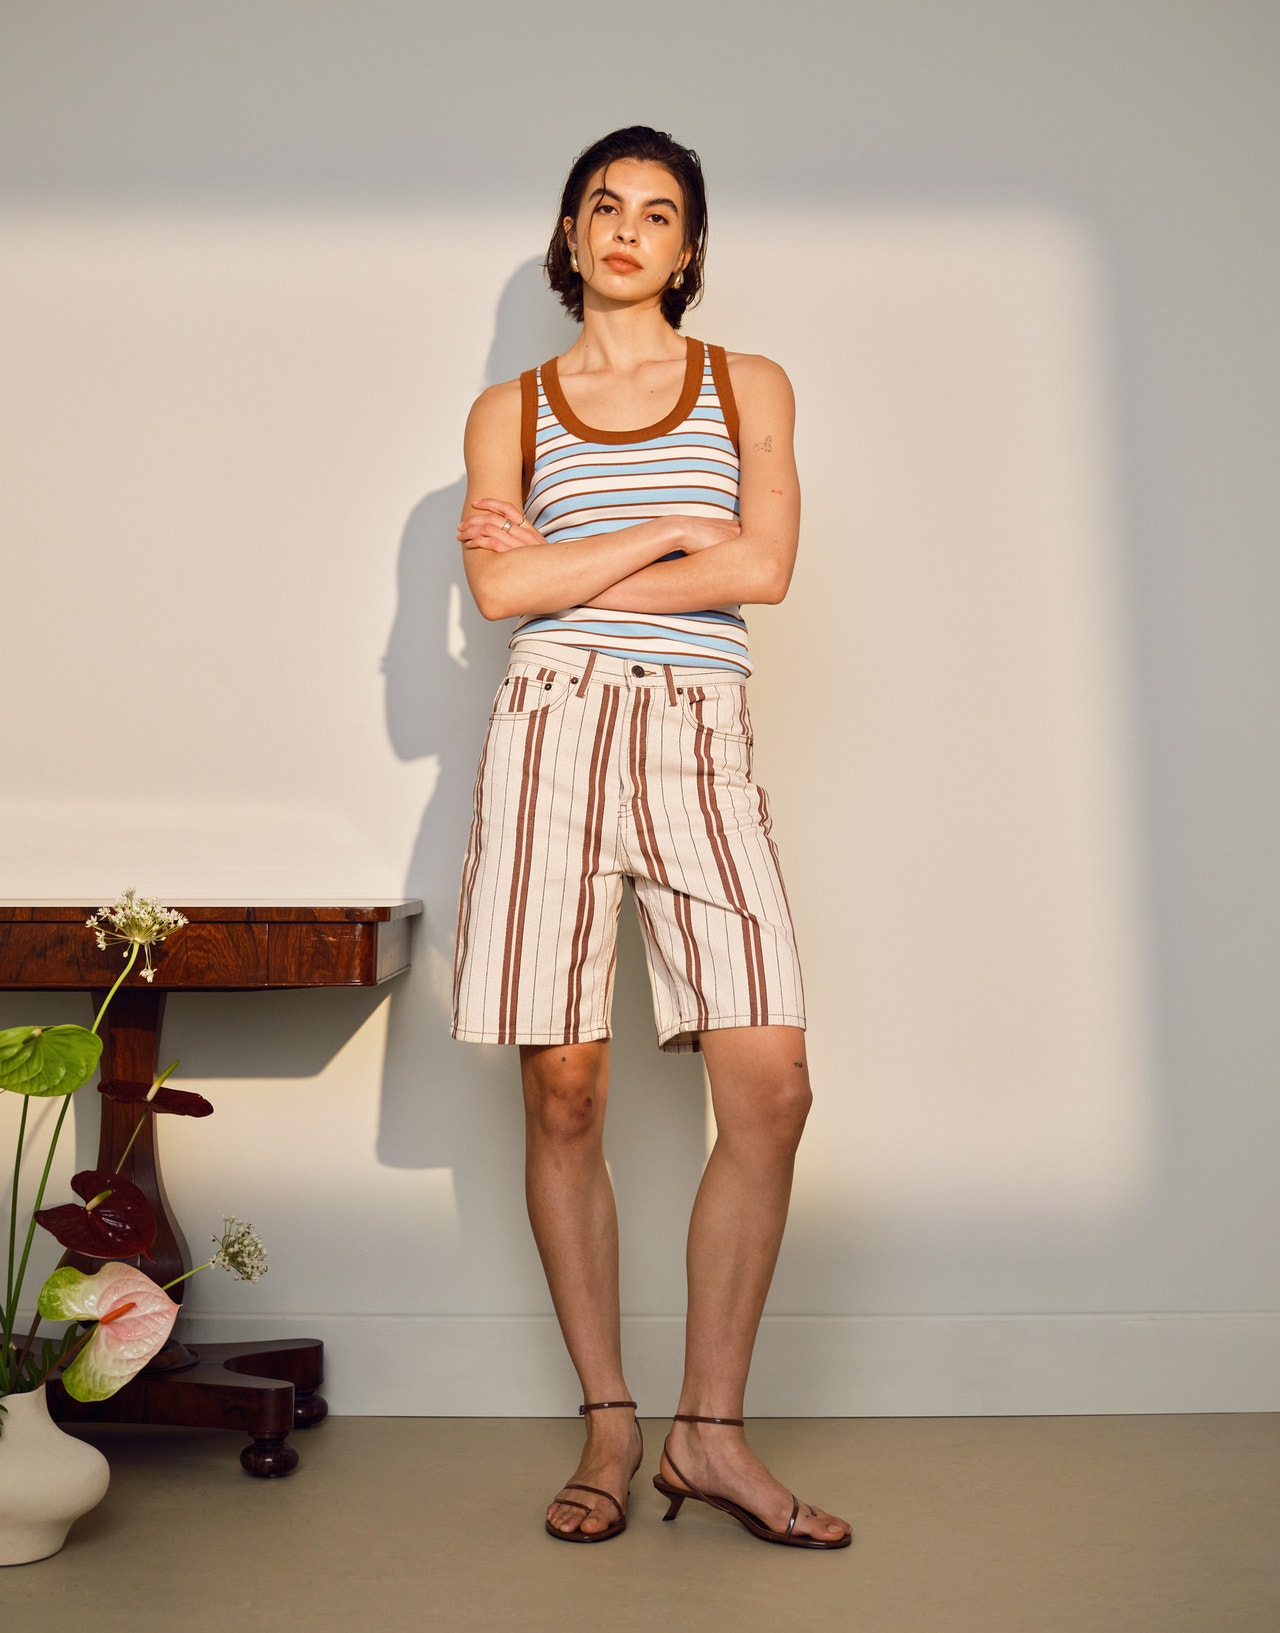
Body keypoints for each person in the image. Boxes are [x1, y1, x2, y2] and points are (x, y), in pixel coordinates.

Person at [451, 126, 851, 1551]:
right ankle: (613, 1423)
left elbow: (766, 566)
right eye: (604, 206)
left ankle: (709, 1432)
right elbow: (501, 601)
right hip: (550, 734)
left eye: (659, 212)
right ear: (571, 233)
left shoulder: (749, 383)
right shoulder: (511, 409)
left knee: (772, 1086)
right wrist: (674, 527)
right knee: (564, 1094)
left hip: (697, 734)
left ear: (688, 249)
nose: (627, 228)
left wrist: (564, 564)